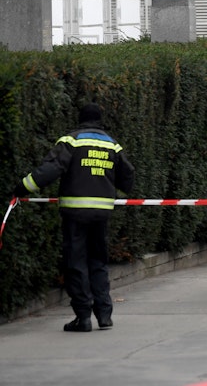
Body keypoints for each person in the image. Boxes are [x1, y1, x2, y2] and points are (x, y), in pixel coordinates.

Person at [11, 103, 136, 332]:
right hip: (101, 213)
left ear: (81, 119)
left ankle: (83, 317)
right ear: (100, 121)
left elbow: (51, 169)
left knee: (76, 263)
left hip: (75, 213)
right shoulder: (112, 144)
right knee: (98, 262)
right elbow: (128, 174)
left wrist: (22, 188)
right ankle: (105, 315)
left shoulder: (71, 141)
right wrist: (113, 195)